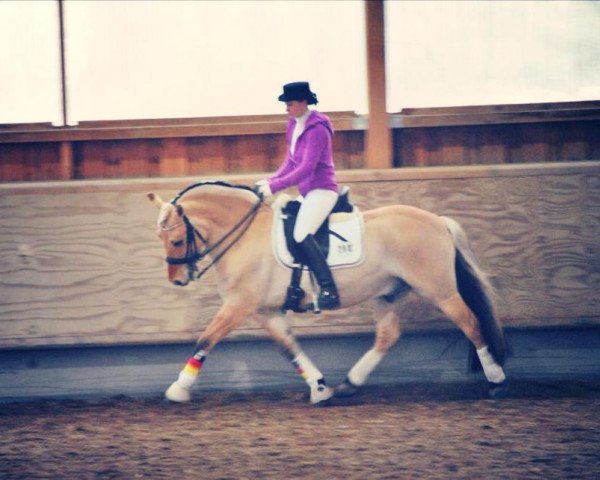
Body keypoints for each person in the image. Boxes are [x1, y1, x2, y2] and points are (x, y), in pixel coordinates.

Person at [256, 81, 340, 309]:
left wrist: (276, 187)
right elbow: (290, 162)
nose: (286, 108)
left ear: (303, 102)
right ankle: (295, 285)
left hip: (322, 190)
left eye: (290, 104)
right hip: (307, 192)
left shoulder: (318, 129)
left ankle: (328, 289)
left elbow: (306, 168)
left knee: (301, 234)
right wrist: (271, 180)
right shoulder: (293, 124)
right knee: (285, 222)